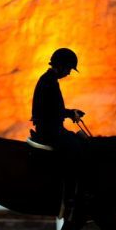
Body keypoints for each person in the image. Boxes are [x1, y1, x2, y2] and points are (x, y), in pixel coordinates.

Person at [31, 48, 86, 213]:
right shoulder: (49, 82)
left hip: (53, 127)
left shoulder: (49, 80)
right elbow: (52, 111)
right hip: (50, 130)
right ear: (61, 66)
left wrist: (71, 112)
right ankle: (68, 198)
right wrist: (70, 113)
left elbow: (55, 108)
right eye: (69, 69)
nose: (69, 73)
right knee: (76, 149)